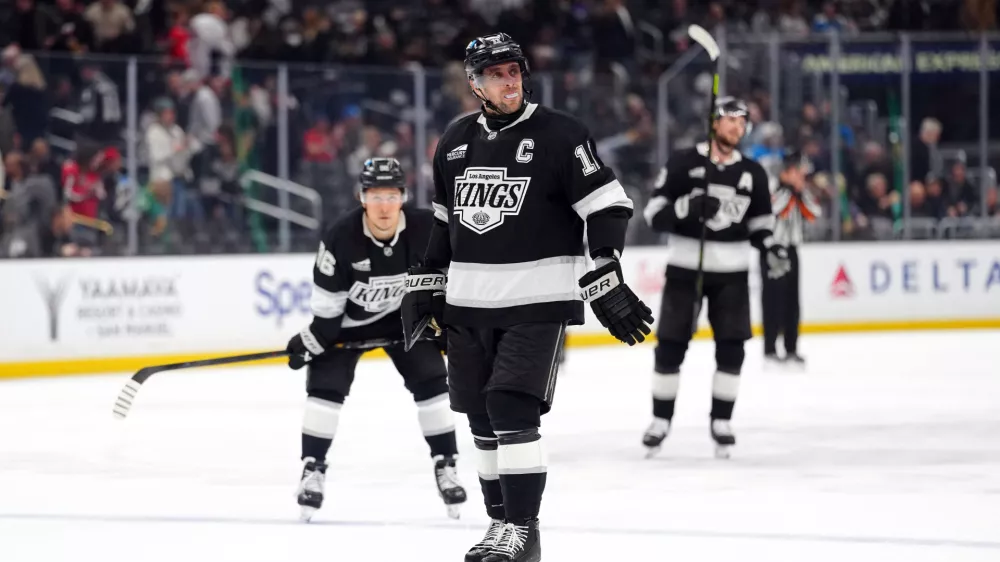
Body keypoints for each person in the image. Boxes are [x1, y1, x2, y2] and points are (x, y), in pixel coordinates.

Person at [401, 33, 652, 562]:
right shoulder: (454, 141)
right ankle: (499, 528)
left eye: (514, 70)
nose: (510, 80)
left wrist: (605, 266)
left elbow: (608, 204)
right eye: (496, 74)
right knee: (479, 418)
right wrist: (427, 282)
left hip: (535, 303)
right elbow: (446, 223)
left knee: (510, 407)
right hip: (468, 304)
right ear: (475, 84)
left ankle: (525, 532)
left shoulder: (561, 135)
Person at [285, 157, 467, 522]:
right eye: (375, 196)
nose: (384, 206)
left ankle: (445, 464)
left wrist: (448, 327)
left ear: (403, 196)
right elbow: (326, 316)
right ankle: (313, 468)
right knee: (325, 388)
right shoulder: (340, 237)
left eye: (391, 195)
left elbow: (448, 281)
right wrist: (310, 340)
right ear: (361, 197)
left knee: (433, 382)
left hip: (404, 323)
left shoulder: (426, 229)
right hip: (346, 327)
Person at [641, 97, 790, 459]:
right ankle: (661, 420)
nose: (737, 127)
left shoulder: (753, 173)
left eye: (742, 121)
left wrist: (770, 246)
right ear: (713, 123)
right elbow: (652, 213)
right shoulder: (683, 162)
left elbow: (760, 223)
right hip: (685, 269)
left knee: (732, 348)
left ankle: (721, 421)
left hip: (733, 275)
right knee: (671, 346)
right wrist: (686, 207)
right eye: (730, 120)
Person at [763, 150, 821, 367]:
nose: (803, 177)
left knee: (791, 301)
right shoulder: (772, 187)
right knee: (773, 301)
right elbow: (775, 209)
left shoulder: (800, 192)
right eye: (800, 171)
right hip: (773, 248)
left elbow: (813, 213)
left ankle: (791, 348)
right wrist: (789, 190)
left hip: (792, 248)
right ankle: (770, 350)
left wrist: (800, 192)